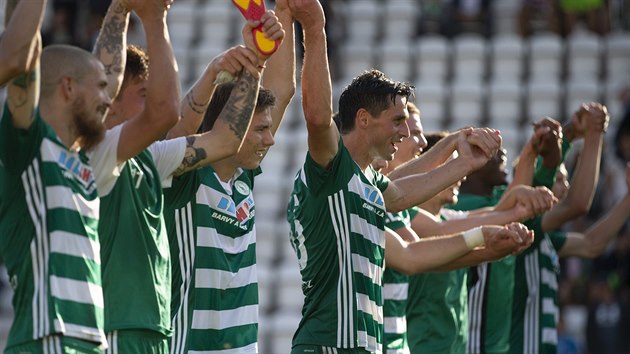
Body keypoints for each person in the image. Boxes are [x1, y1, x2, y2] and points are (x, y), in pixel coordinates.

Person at [284, 1, 532, 353]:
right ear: (364, 119)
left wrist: (463, 161)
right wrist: (314, 29)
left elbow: (399, 194)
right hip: (330, 344)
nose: (404, 133)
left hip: (362, 344)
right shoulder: (332, 170)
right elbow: (317, 116)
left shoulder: (363, 184)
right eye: (397, 121)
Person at [88, 2, 285, 353]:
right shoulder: (96, 153)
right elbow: (169, 118)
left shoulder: (150, 161)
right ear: (108, 100)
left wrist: (255, 58)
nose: (153, 105)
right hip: (116, 331)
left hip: (156, 333)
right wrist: (143, 15)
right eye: (143, 95)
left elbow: (224, 138)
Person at [163, 3, 293, 353]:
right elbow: (174, 137)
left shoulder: (242, 177)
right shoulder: (184, 177)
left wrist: (285, 16)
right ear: (229, 126)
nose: (271, 139)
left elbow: (284, 88)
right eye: (261, 130)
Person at [0, 0, 112, 352]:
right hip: (49, 336)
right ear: (68, 88)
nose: (109, 100)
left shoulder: (83, 159)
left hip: (90, 340)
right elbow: (21, 57)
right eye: (101, 87)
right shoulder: (31, 144)